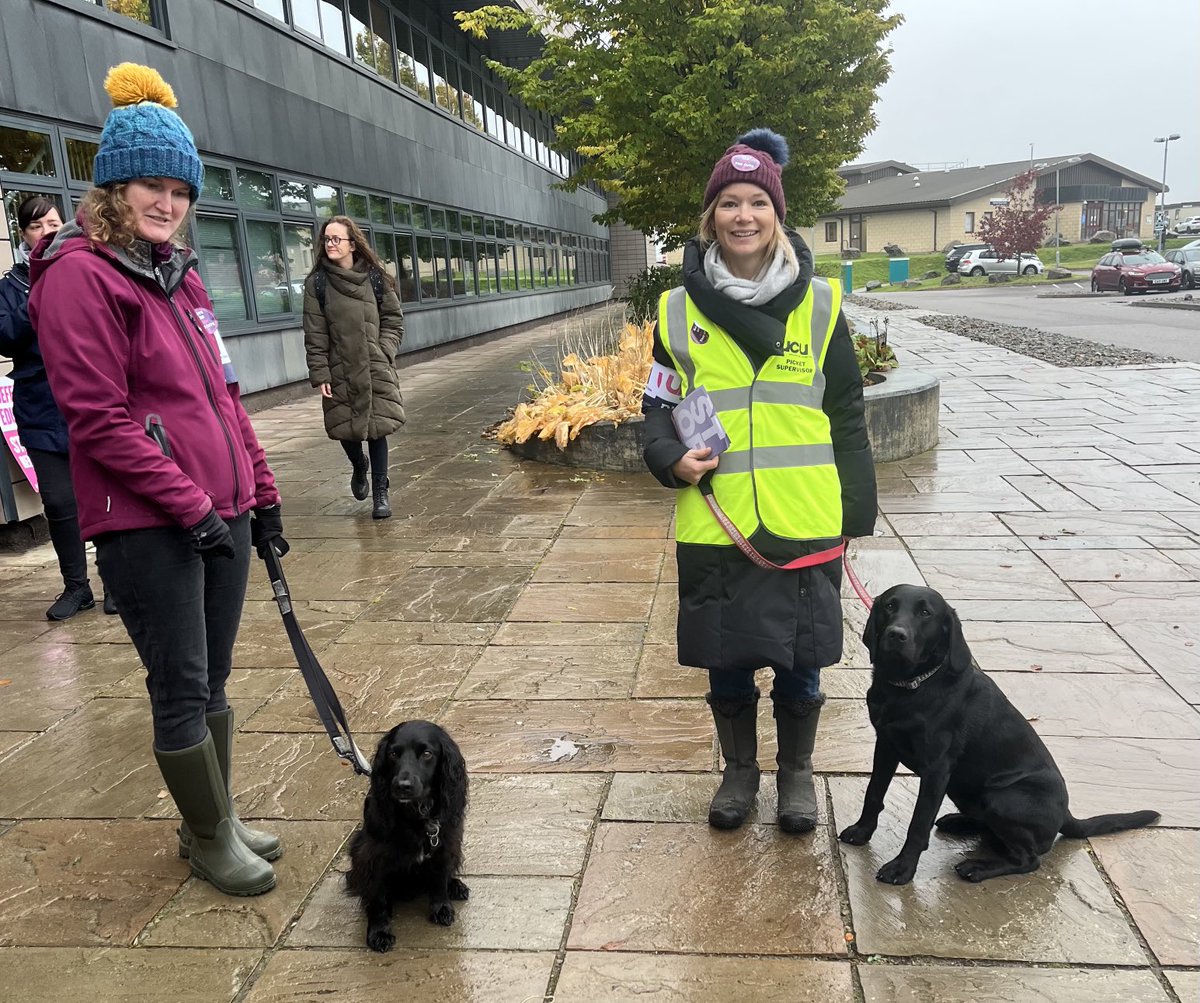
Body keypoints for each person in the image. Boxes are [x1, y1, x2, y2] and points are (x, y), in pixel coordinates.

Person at [29, 63, 288, 896]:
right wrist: (193, 507)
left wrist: (261, 487)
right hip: (149, 525)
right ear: (113, 184)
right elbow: (97, 418)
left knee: (212, 677)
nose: (167, 202)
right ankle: (210, 838)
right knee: (177, 683)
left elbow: (223, 393)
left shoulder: (181, 273)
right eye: (150, 182)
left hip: (222, 512)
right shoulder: (80, 275)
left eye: (179, 188)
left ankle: (212, 816)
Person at [641, 129, 877, 834]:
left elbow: (846, 413)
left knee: (801, 659)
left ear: (778, 214)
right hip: (718, 522)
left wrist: (855, 515)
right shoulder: (676, 312)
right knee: (728, 659)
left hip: (804, 521)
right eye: (728, 203)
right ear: (710, 216)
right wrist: (668, 458)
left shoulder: (823, 304)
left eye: (756, 203)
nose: (743, 216)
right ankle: (739, 772)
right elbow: (657, 406)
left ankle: (796, 774)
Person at [0, 196, 117, 620]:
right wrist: (40, 299)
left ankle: (114, 583)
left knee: (102, 496)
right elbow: (5, 335)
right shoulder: (11, 287)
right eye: (36, 226)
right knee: (61, 503)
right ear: (24, 235)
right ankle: (76, 587)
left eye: (53, 222)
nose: (47, 231)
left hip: (89, 402)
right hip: (39, 406)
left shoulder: (84, 271)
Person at [303, 215, 406, 519]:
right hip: (339, 369)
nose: (330, 244)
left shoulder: (375, 278)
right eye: (327, 239)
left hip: (374, 364)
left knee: (377, 429)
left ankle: (381, 492)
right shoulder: (318, 283)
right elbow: (314, 332)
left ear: (352, 244)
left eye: (336, 239)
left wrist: (384, 351)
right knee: (346, 429)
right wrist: (319, 371)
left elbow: (393, 320)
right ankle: (358, 464)